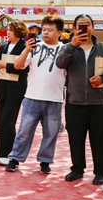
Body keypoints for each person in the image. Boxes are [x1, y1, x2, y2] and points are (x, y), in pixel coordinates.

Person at [55, 15, 103, 184]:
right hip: (74, 102)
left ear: (93, 27)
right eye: (80, 25)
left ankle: (101, 172)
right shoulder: (68, 47)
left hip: (98, 103)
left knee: (100, 140)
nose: (84, 28)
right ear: (75, 28)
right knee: (75, 139)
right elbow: (60, 64)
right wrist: (72, 46)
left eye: (88, 25)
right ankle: (77, 169)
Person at [5, 16, 67, 174]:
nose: (45, 33)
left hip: (55, 98)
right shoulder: (35, 47)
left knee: (51, 133)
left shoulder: (65, 50)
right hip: (32, 96)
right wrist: (26, 49)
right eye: (44, 29)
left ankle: (45, 161)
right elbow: (18, 65)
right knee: (24, 131)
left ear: (59, 33)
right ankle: (15, 158)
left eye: (50, 30)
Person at [0, 22, 29, 165]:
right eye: (8, 30)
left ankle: (9, 153)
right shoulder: (4, 46)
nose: (8, 33)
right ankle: (3, 152)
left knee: (8, 121)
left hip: (16, 88)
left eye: (11, 30)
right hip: (3, 88)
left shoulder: (24, 48)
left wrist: (7, 66)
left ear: (18, 31)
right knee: (2, 121)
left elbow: (23, 68)